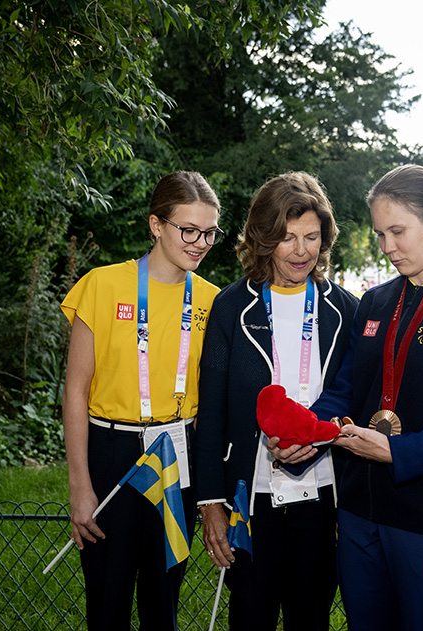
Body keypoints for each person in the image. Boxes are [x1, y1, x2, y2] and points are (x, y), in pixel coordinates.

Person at [269, 164, 423, 631]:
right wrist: (306, 431)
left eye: (397, 231)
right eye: (380, 234)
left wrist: (397, 450)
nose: (387, 247)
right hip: (361, 514)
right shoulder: (375, 302)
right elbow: (346, 390)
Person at [193, 172, 359, 631]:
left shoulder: (345, 309)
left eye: (311, 237)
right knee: (250, 614)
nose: (301, 250)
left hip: (323, 494)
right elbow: (212, 415)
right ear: (263, 239)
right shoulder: (230, 308)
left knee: (311, 617)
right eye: (287, 238)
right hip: (252, 495)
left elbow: (353, 399)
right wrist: (211, 505)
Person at [61, 171, 224, 630]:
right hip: (110, 451)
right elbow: (75, 390)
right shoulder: (102, 285)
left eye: (209, 232)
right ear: (156, 225)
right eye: (188, 230)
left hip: (176, 453)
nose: (199, 242)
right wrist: (80, 485)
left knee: (163, 599)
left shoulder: (213, 301)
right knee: (107, 601)